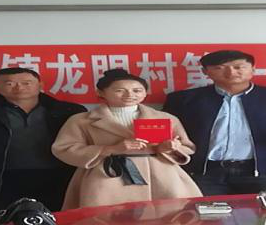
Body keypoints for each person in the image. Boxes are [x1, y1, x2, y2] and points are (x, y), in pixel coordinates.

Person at [162, 50, 266, 195]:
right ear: (205, 71)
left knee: (263, 210)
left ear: (253, 69)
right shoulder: (183, 100)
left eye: (238, 67)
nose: (231, 72)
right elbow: (170, 134)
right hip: (205, 173)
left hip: (263, 171)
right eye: (219, 68)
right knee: (207, 210)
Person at [51, 68, 202, 208]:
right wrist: (110, 149)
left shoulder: (165, 118)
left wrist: (168, 148)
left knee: (168, 216)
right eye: (119, 90)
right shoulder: (81, 120)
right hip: (107, 176)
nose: (130, 95)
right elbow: (64, 148)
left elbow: (187, 146)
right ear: (101, 92)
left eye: (137, 90)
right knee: (104, 221)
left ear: (145, 93)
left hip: (161, 177)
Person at [0, 67, 86, 214]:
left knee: (62, 220)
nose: (19, 87)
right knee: (13, 222)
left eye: (27, 83)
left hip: (60, 176)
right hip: (4, 178)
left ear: (40, 85)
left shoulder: (69, 110)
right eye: (10, 83)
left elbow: (86, 143)